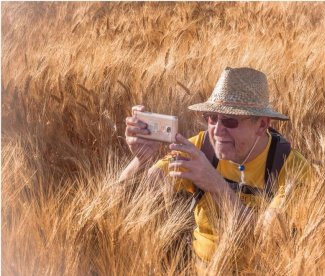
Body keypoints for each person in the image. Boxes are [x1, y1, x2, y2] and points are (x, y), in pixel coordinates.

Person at [120, 67, 312, 265]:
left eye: (230, 121)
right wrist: (141, 160)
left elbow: (267, 241)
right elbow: (126, 199)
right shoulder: (201, 149)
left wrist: (217, 186)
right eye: (211, 118)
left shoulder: (290, 167)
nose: (218, 131)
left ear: (262, 124)